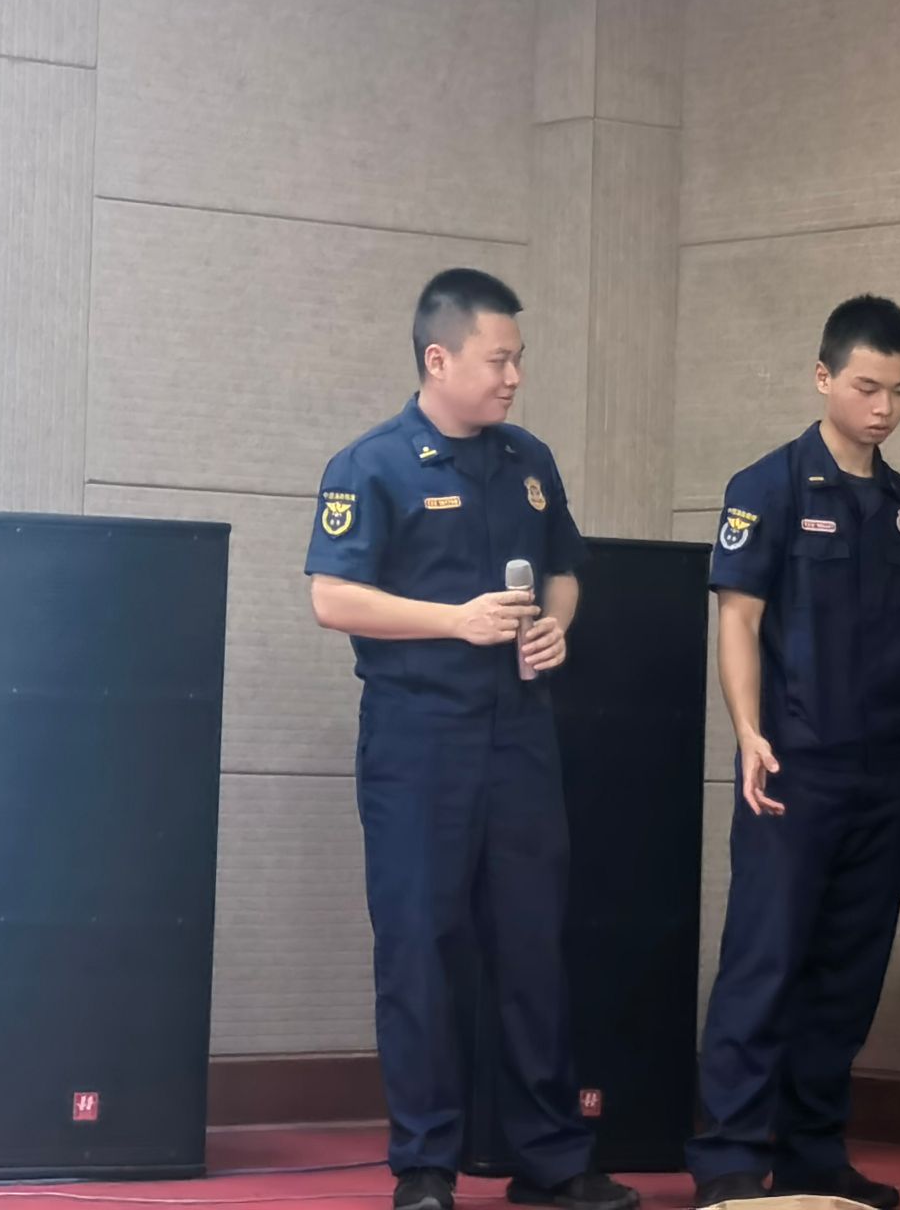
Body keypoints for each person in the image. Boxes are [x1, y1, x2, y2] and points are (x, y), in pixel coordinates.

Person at [305, 269, 637, 1210]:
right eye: (499, 360)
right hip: (418, 743)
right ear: (438, 358)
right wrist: (455, 622)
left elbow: (565, 567)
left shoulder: (529, 458)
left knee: (533, 947)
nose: (513, 378)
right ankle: (425, 1165)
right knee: (422, 949)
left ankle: (551, 1160)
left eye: (518, 359)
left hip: (520, 736)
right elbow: (332, 596)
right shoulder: (371, 465)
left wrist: (556, 625)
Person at [688, 295, 900, 1210]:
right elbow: (738, 620)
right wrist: (747, 730)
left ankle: (812, 1152)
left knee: (849, 972)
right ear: (823, 377)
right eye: (867, 387)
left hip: (879, 774)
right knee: (764, 961)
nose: (884, 408)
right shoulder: (765, 487)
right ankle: (729, 1155)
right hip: (791, 767)